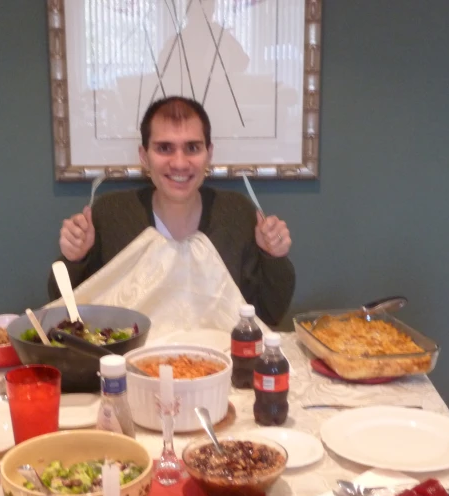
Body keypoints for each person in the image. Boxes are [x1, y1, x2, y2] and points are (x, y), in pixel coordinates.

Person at [48, 96, 295, 325]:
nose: (179, 163)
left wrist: (273, 257)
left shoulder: (237, 213)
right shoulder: (111, 213)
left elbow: (269, 315)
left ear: (209, 154)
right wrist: (74, 260)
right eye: (164, 148)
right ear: (144, 156)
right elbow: (67, 312)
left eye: (192, 148)